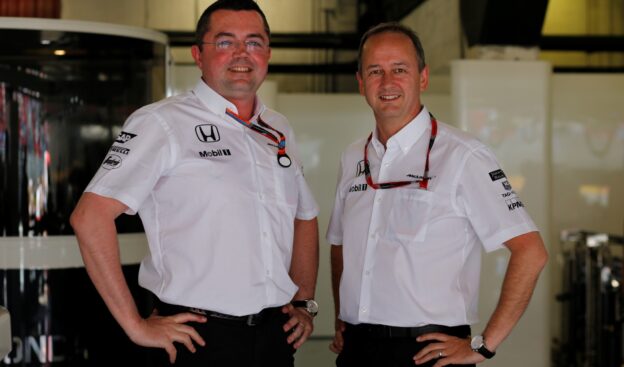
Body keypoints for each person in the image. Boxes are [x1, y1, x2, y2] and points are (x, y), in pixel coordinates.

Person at [70, 1, 320, 366]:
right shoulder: (162, 122)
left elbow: (304, 214)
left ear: (267, 53)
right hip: (198, 338)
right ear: (197, 55)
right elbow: (90, 218)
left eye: (253, 42)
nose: (241, 54)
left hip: (273, 337)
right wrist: (136, 326)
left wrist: (304, 302)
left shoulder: (278, 127)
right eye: (224, 42)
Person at [326, 22, 548, 367]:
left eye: (399, 69)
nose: (387, 83)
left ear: (423, 78)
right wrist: (342, 316)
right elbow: (340, 244)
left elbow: (531, 251)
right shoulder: (353, 156)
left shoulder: (464, 155)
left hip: (428, 353)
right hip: (357, 349)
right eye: (375, 72)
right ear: (361, 83)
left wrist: (484, 345)